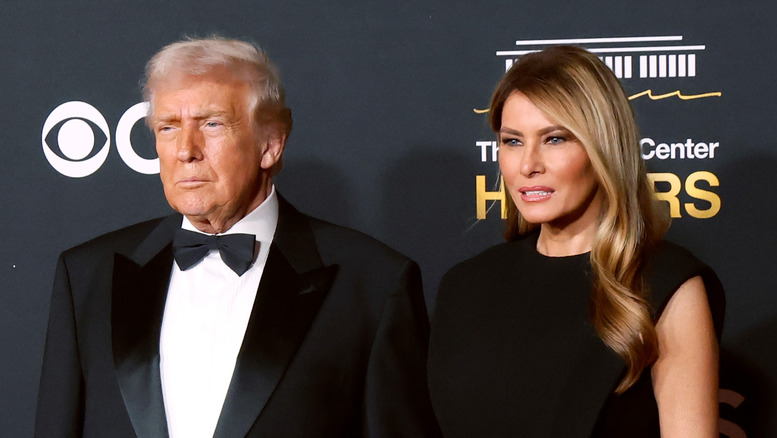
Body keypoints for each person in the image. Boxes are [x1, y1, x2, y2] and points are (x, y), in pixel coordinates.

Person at [35, 37, 439, 438]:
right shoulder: (88, 276)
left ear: (271, 144)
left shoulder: (372, 284)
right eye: (168, 127)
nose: (185, 150)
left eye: (211, 124)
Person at [427, 45, 725, 437]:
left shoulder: (664, 283)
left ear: (603, 147)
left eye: (554, 139)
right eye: (512, 141)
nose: (529, 164)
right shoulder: (465, 286)